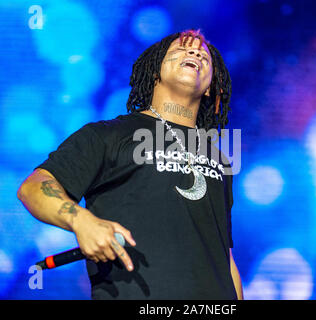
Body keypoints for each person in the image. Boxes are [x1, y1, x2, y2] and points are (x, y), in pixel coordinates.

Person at [17, 29, 243, 300]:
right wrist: (82, 221)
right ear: (155, 71)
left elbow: (223, 256)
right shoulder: (108, 135)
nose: (195, 53)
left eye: (204, 55)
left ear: (209, 89)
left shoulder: (219, 159)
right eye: (181, 49)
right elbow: (34, 187)